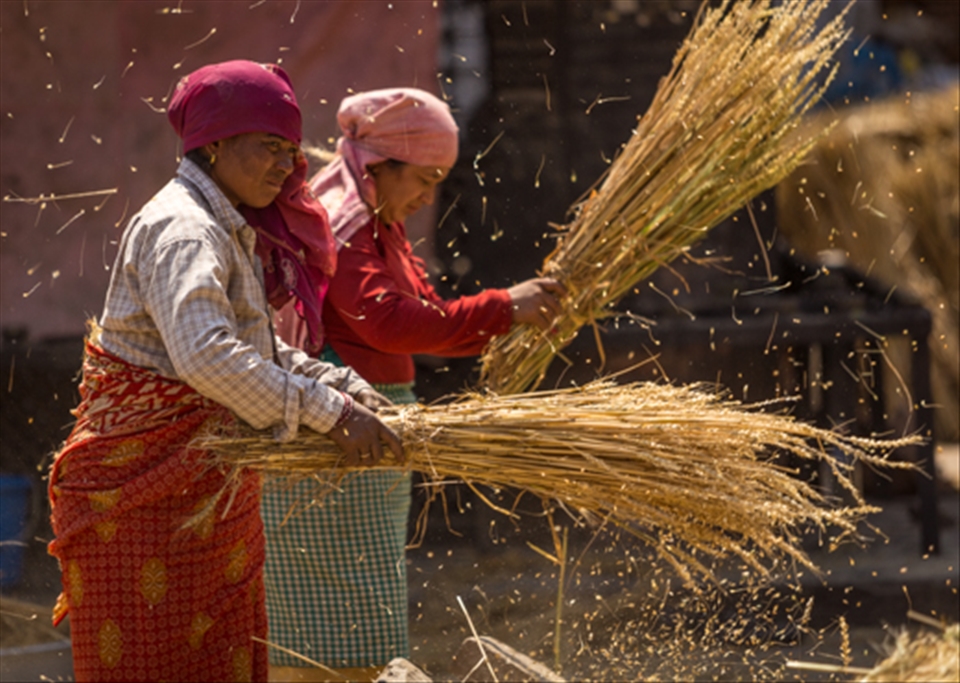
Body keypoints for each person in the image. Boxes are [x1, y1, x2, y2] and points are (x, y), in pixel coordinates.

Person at [46, 60, 401, 683]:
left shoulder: (226, 226)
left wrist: (345, 388)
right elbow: (209, 356)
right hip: (145, 503)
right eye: (268, 147)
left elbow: (256, 347)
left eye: (290, 151)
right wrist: (333, 415)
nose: (285, 167)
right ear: (213, 144)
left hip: (198, 496)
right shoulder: (186, 230)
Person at [260, 87, 563, 682]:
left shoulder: (377, 222)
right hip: (333, 446)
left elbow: (423, 310)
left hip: (365, 448)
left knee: (362, 611)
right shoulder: (340, 224)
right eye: (423, 178)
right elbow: (390, 322)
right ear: (379, 167)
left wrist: (511, 313)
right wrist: (503, 307)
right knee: (324, 628)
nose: (429, 196)